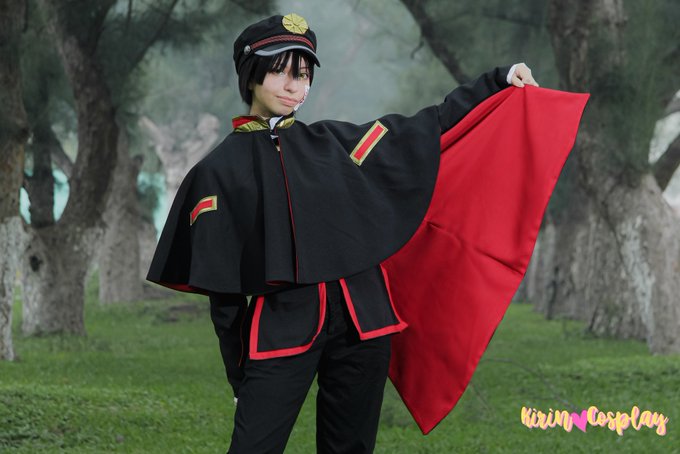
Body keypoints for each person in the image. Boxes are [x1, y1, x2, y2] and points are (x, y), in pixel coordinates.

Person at [147, 13, 586, 454]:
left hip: (365, 324)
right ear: (250, 74)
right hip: (282, 330)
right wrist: (238, 372)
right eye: (280, 71)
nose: (293, 86)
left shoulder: (335, 144)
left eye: (303, 75)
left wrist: (497, 81)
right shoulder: (217, 172)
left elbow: (426, 127)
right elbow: (222, 289)